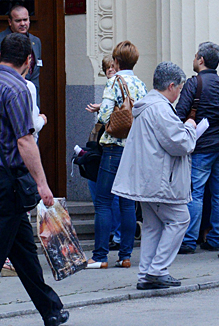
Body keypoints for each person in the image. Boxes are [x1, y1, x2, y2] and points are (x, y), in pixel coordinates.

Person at [0, 32, 68, 326]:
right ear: (29, 60)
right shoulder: (18, 89)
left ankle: (50, 308)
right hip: (7, 181)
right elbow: (25, 141)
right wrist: (43, 184)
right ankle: (50, 308)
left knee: (23, 251)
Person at [112, 61, 196, 289]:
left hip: (148, 178)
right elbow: (181, 143)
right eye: (179, 87)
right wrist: (190, 127)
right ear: (171, 86)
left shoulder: (147, 106)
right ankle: (157, 270)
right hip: (160, 179)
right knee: (180, 220)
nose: (179, 92)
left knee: (152, 227)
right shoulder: (160, 109)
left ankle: (147, 274)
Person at [86, 40, 147, 269]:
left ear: (117, 61)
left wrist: (103, 114)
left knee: (103, 202)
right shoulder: (141, 84)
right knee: (128, 203)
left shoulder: (113, 81)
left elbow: (103, 116)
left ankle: (100, 256)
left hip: (113, 148)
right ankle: (125, 256)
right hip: (133, 149)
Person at [176, 42, 219, 253]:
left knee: (195, 193)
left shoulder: (194, 83)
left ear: (201, 60)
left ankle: (189, 240)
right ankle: (215, 238)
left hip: (199, 146)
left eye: (196, 55)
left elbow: (180, 113)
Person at [85, 55, 122, 251]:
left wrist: (102, 109)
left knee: (110, 196)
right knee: (99, 189)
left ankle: (116, 235)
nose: (110, 71)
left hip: (112, 147)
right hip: (101, 145)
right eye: (107, 68)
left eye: (113, 68)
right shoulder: (109, 89)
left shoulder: (120, 88)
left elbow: (110, 116)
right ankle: (112, 234)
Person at [0, 5, 41, 105]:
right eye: (18, 21)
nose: (23, 24)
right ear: (10, 22)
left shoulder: (35, 41)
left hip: (32, 100)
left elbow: (35, 73)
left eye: (25, 19)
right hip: (7, 101)